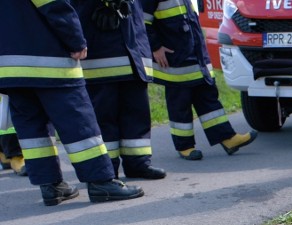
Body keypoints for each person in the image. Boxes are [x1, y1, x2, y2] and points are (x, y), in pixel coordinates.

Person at [0, 0, 143, 206]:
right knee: (77, 121)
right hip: (48, 58)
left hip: (9, 66)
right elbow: (54, 5)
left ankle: (51, 187)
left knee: (32, 128)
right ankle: (100, 182)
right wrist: (76, 40)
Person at [142, 0, 257, 161]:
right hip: (175, 60)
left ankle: (227, 138)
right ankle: (184, 146)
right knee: (180, 104)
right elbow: (142, 22)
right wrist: (155, 47)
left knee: (208, 97)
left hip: (195, 56)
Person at [72, 0, 166, 180]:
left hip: (134, 51)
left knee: (137, 112)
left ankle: (138, 162)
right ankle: (107, 169)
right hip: (100, 49)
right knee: (104, 116)